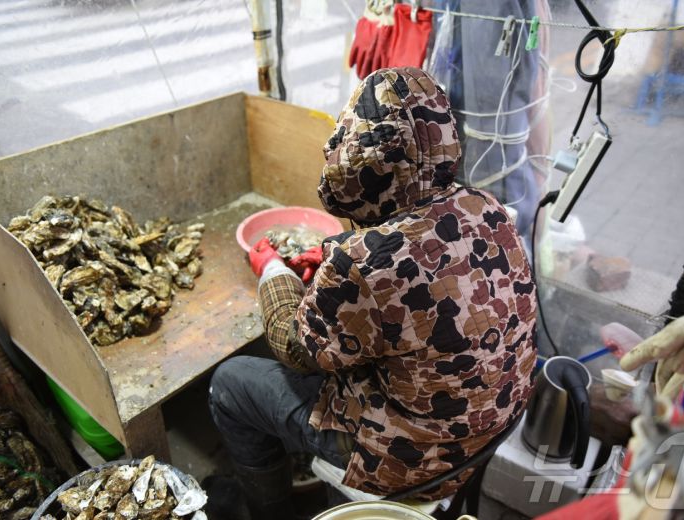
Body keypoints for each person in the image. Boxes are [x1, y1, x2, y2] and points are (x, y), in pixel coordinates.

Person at [209, 67, 537, 518]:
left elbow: (295, 345)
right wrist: (333, 256)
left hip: (411, 459)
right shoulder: (487, 209)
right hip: (489, 427)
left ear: (359, 159)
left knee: (232, 383)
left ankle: (271, 511)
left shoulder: (366, 264)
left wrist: (273, 272)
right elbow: (418, 257)